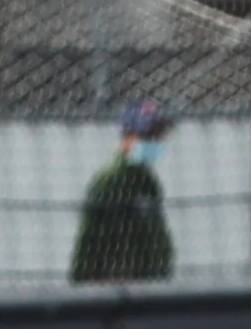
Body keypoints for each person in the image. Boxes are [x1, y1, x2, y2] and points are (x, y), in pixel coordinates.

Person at [70, 99, 174, 283]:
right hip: (117, 287)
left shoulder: (147, 181)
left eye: (158, 136)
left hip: (150, 286)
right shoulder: (111, 179)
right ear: (128, 137)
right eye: (148, 136)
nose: (156, 142)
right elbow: (89, 238)